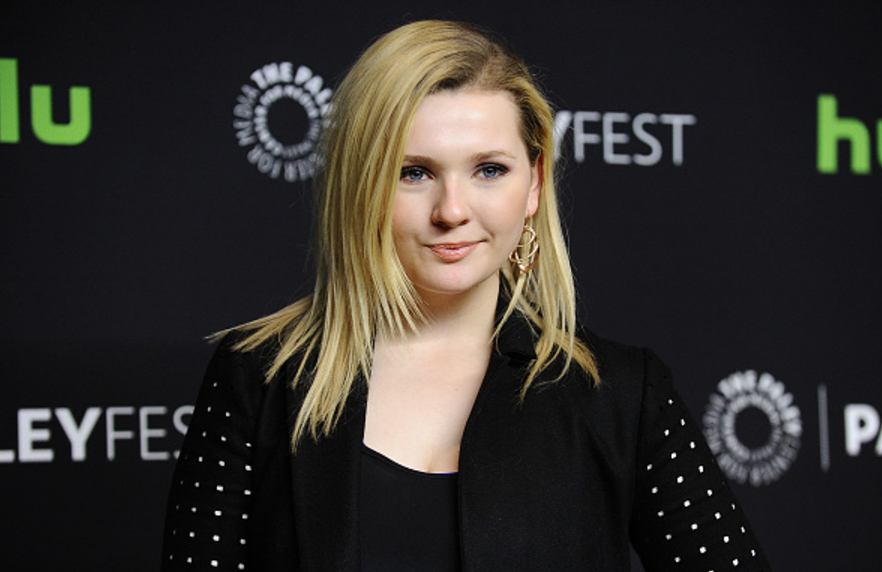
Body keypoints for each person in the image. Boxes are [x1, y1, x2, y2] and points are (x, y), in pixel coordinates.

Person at [162, 20, 770, 572]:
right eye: (414, 172)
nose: (452, 211)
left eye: (489, 170)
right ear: (361, 185)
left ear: (534, 183)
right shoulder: (260, 377)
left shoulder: (623, 394)